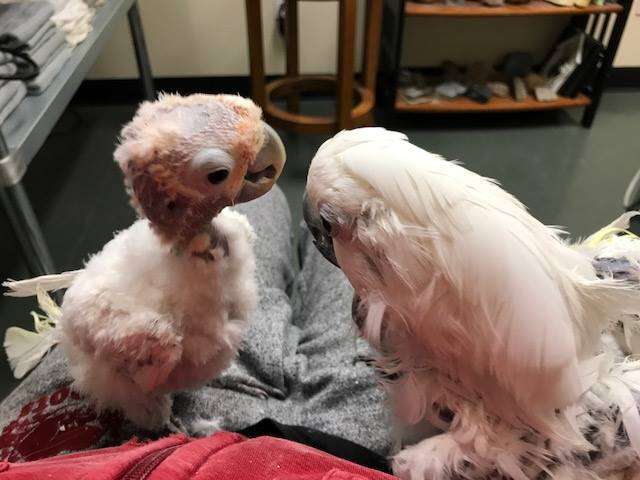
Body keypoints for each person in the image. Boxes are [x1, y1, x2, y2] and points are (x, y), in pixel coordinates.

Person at [0, 187, 392, 465]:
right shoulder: (142, 334)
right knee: (354, 227)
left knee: (259, 200)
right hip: (327, 451)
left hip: (216, 341)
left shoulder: (226, 234)